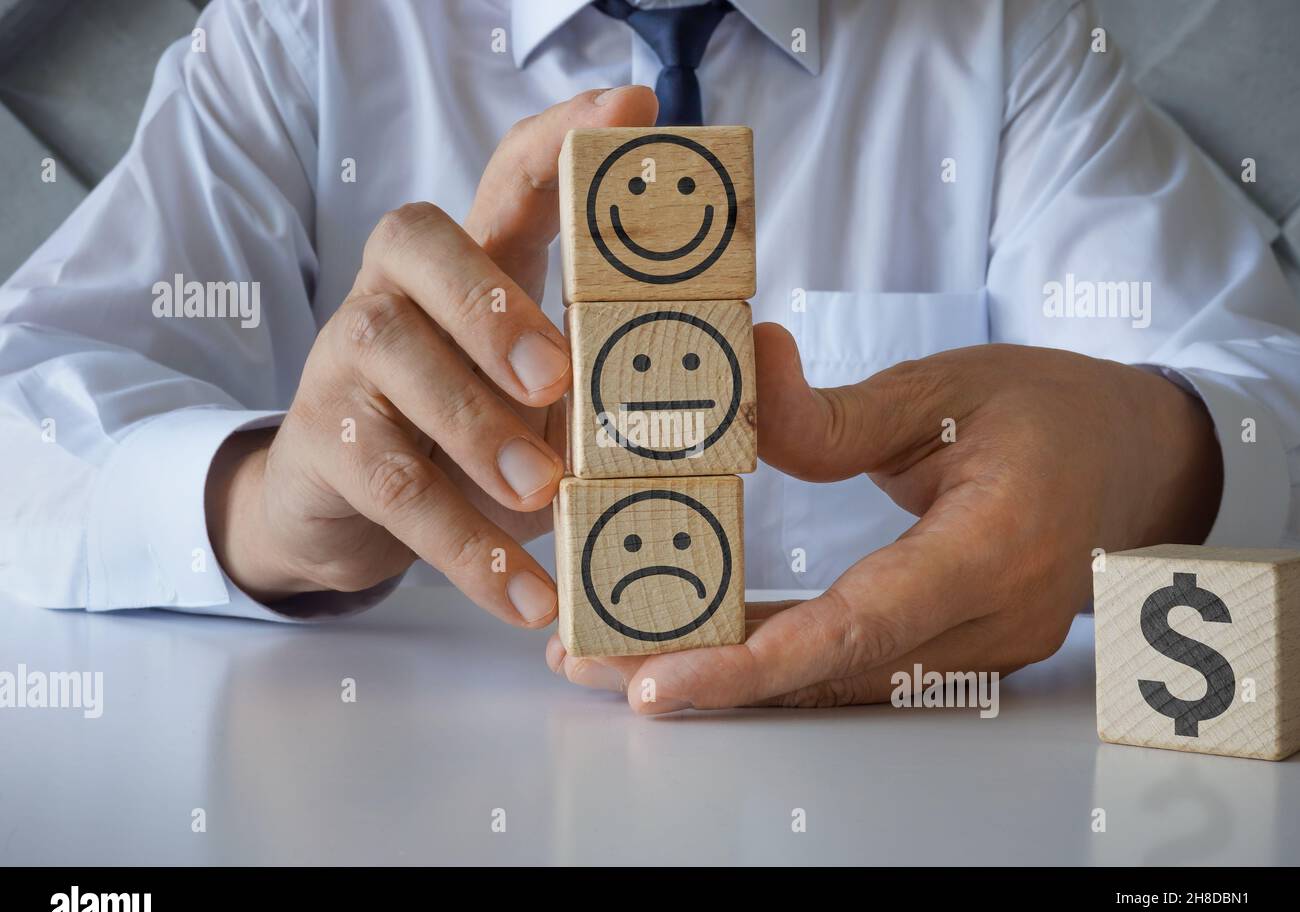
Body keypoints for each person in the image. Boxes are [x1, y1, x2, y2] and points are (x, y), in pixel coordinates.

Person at [1, 0, 1297, 715]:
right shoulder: (299, 37)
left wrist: (1150, 462)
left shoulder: (1005, 46)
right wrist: (267, 503)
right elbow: (26, 411)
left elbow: (1264, 395)